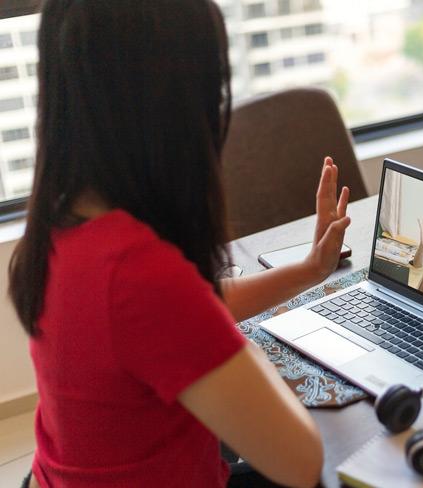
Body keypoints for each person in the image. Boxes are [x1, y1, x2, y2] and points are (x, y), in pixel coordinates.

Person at [8, 1, 350, 487]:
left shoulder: (63, 224)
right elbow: (300, 462)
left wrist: (309, 270)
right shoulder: (139, 273)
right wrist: (244, 349)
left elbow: (184, 315)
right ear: (172, 110)